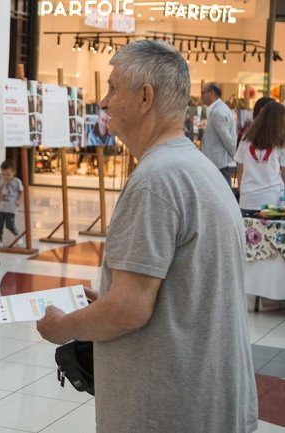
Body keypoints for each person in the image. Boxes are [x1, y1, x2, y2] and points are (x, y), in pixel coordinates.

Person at [36, 40, 257, 433]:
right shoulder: (197, 168)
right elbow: (179, 291)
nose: (103, 102)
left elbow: (129, 309)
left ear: (144, 97)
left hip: (170, 411)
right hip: (209, 402)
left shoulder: (155, 180)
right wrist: (109, 297)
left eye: (113, 88)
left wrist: (64, 325)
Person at [235, 101, 285, 210]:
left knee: (249, 227)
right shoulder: (281, 141)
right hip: (273, 200)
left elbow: (239, 171)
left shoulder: (246, 138)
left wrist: (242, 191)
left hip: (247, 199)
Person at [201, 82, 238, 186]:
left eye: (203, 92)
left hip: (218, 164)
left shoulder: (218, 112)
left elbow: (227, 139)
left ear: (212, 93)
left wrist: (236, 159)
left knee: (222, 193)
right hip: (217, 163)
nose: (201, 96)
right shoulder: (219, 109)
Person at [0, 159, 24, 249]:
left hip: (11, 208)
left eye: (8, 174)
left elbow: (21, 191)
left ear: (13, 172)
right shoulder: (1, 181)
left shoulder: (17, 181)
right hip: (1, 207)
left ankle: (18, 236)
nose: (5, 176)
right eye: (3, 174)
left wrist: (18, 200)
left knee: (9, 225)